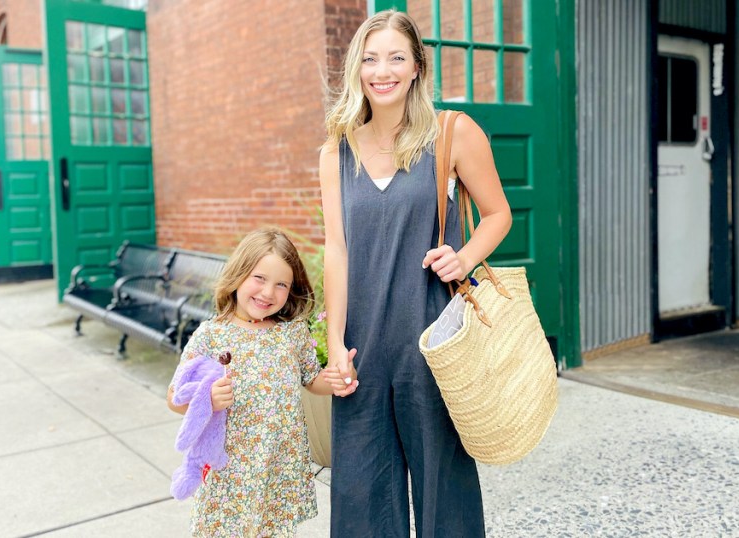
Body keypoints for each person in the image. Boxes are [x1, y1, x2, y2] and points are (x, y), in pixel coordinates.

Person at [317, 9, 513, 537]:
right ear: (357, 68)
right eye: (371, 58)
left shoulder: (452, 133)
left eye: (396, 57)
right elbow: (336, 249)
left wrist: (465, 257)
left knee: (442, 485)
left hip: (431, 337)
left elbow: (498, 215)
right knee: (360, 491)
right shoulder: (336, 151)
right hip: (362, 343)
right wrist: (334, 343)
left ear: (416, 68)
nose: (383, 70)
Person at [166, 227, 339, 537]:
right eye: (259, 278)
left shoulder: (291, 333)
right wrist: (207, 399)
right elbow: (175, 397)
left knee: (272, 530)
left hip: (276, 465)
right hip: (228, 469)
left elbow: (312, 380)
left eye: (281, 284)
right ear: (238, 275)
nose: (268, 293)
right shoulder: (211, 335)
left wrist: (339, 378)